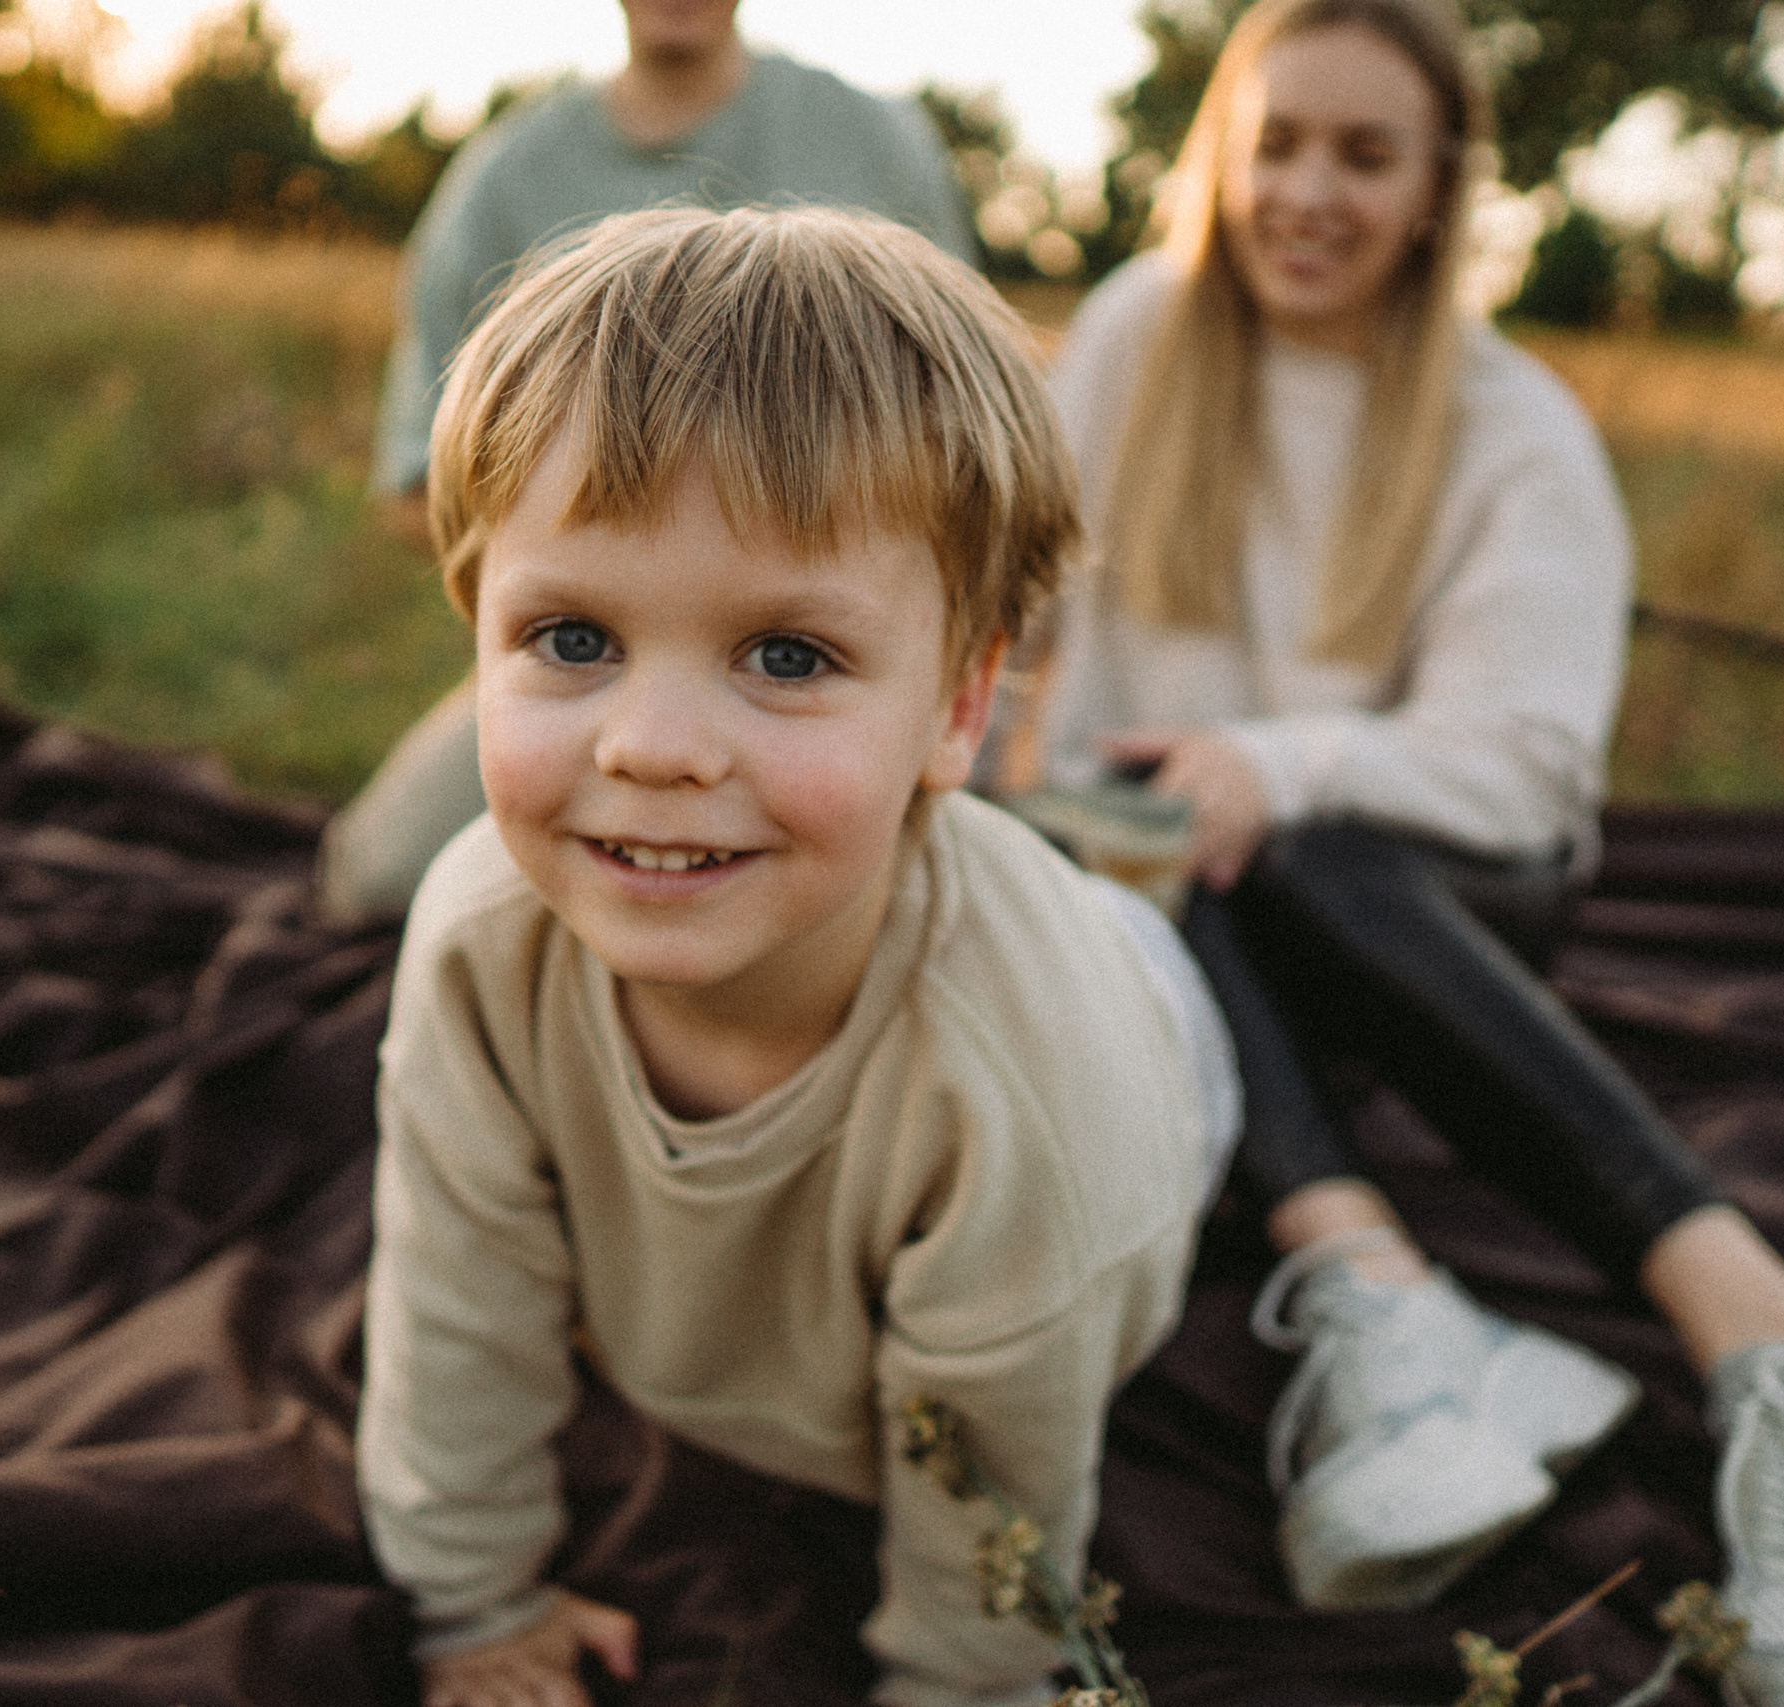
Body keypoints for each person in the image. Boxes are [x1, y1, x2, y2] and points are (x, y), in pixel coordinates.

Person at [1028, 2, 1784, 1701]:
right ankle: (1383, 1294)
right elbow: (1045, 662)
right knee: (1127, 849)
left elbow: (1528, 768)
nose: (1308, 190)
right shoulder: (1124, 340)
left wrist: (1271, 762)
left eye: (1364, 153)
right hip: (1171, 904)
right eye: (1278, 140)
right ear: (1222, 151)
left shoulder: (1506, 420)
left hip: (1428, 911)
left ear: (1434, 191)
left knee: (1291, 850)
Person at [357, 206, 1239, 1707]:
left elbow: (1001, 1498)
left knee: (1127, 950)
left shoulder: (1021, 1089)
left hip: (1143, 1033)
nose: (655, 746)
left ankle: (1147, 899)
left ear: (962, 710)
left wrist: (957, 1680)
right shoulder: (477, 944)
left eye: (786, 656)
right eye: (572, 638)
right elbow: (454, 1291)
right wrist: (472, 1598)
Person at [326, 1, 977, 921]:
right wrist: (588, 600)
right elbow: (415, 481)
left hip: (841, 655)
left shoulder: (872, 145)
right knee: (383, 880)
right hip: (601, 650)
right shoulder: (507, 177)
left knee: (966, 867)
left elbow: (969, 441)